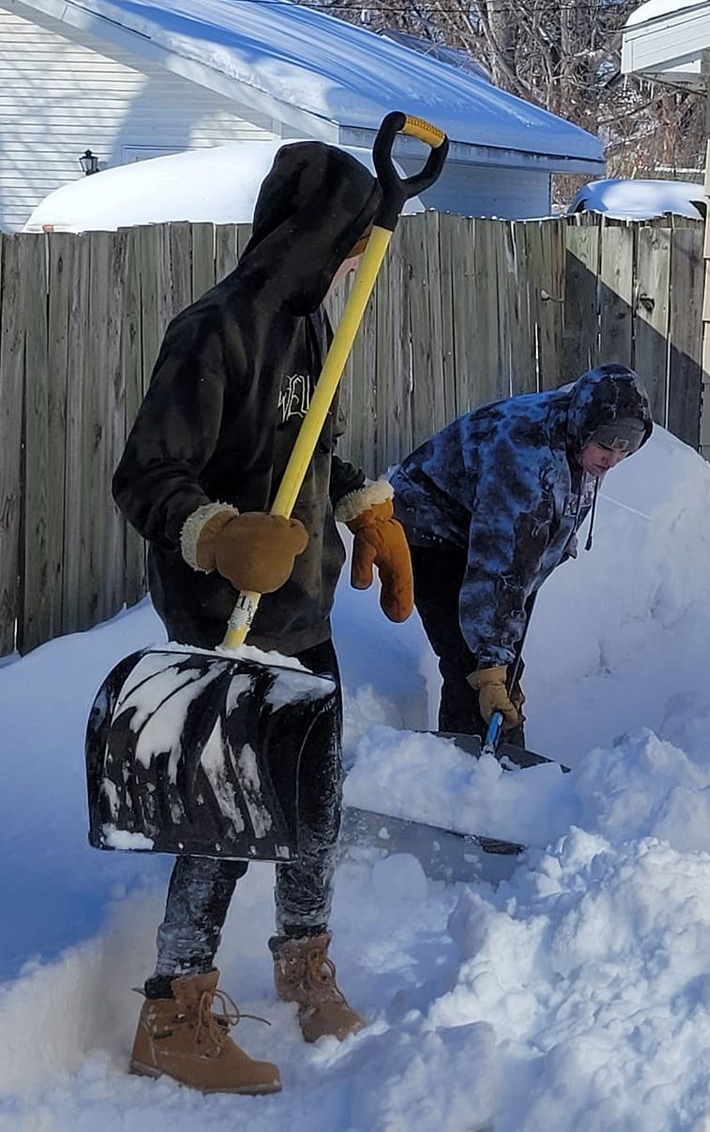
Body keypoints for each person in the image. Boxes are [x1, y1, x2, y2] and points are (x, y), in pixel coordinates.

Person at [112, 143, 414, 1095]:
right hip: (226, 620)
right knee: (225, 820)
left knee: (315, 806)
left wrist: (363, 503)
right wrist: (215, 532)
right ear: (313, 236)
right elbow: (145, 478)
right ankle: (173, 1010)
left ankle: (302, 963)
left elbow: (313, 440)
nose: (352, 264)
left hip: (302, 614)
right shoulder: (213, 333)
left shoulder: (311, 327)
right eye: (346, 244)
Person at [389, 365, 652, 744]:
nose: (612, 460)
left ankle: (506, 768)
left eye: (624, 449)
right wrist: (492, 666)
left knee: (502, 667)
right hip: (430, 528)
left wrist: (501, 659)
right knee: (472, 669)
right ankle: (460, 776)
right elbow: (499, 562)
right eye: (606, 446)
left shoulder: (576, 440)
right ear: (584, 426)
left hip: (484, 534)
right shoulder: (526, 456)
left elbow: (526, 551)